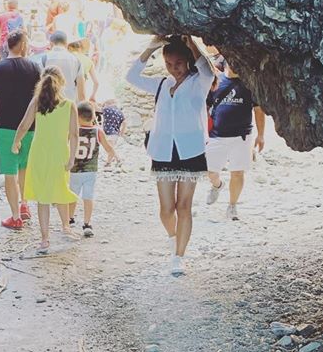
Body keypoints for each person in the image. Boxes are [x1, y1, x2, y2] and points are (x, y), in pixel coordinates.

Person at [127, 34, 217, 275]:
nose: (173, 68)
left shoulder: (200, 81)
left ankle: (179, 256)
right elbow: (131, 77)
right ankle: (173, 237)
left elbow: (208, 71)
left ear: (187, 61)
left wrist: (192, 43)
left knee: (183, 207)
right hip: (163, 151)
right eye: (168, 64)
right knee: (166, 210)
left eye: (177, 63)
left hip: (190, 151)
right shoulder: (161, 84)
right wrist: (150, 48)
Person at [12, 67, 79, 254]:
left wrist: (16, 142)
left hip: (39, 153)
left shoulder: (37, 102)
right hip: (59, 153)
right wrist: (72, 157)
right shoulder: (69, 105)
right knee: (61, 189)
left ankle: (44, 239)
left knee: (43, 197)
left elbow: (24, 125)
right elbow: (74, 135)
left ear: (42, 82)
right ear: (62, 83)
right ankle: (66, 227)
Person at [0, 29, 41, 229]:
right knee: (24, 168)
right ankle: (25, 205)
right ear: (23, 45)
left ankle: (15, 216)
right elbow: (40, 99)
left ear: (8, 46)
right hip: (30, 126)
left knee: (9, 173)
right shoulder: (34, 68)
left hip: (5, 127)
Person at [205, 64, 266, 220]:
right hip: (217, 136)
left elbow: (258, 110)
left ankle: (232, 206)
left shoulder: (250, 83)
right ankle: (217, 185)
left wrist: (261, 135)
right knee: (210, 172)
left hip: (242, 137)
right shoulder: (217, 81)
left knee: (237, 173)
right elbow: (206, 107)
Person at [67, 101, 117, 237]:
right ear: (93, 116)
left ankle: (70, 218)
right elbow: (108, 149)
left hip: (75, 170)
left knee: (72, 195)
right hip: (91, 170)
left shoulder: (73, 130)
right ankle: (87, 223)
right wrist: (110, 159)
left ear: (77, 117)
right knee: (88, 196)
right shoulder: (98, 131)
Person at [35, 31, 85, 102]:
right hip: (70, 106)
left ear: (51, 43)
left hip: (48, 105)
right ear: (66, 44)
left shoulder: (44, 59)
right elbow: (82, 94)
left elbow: (38, 86)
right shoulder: (76, 61)